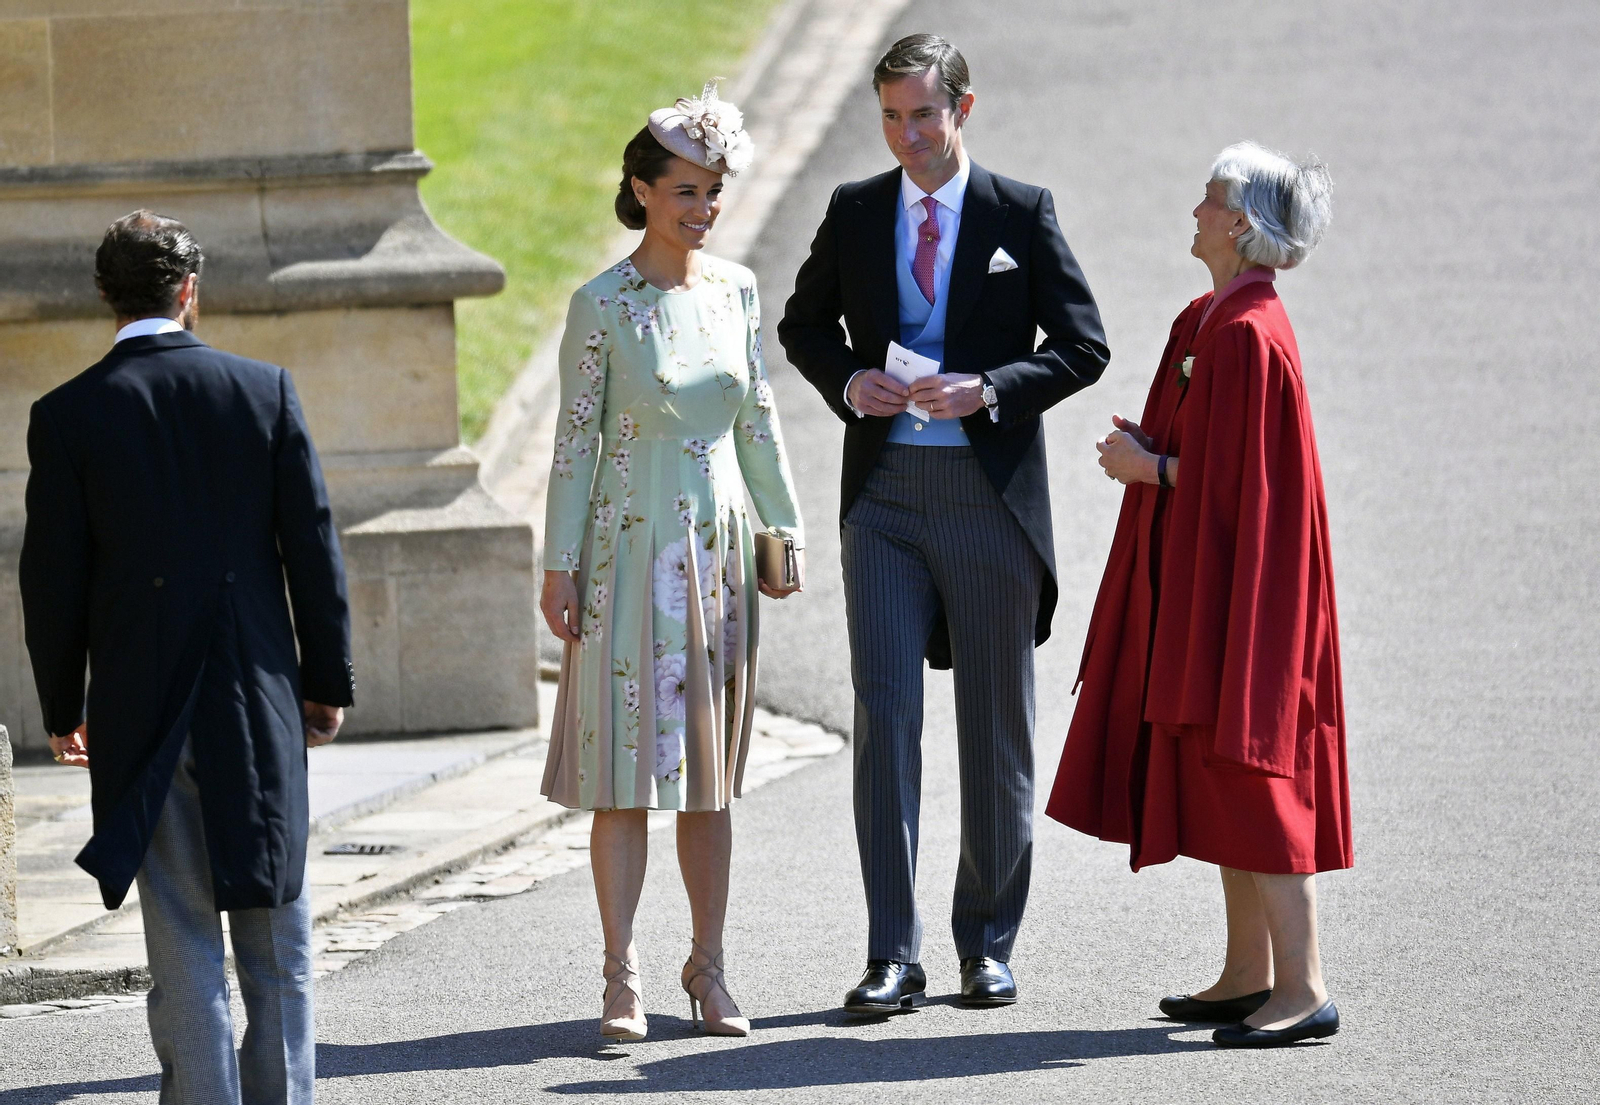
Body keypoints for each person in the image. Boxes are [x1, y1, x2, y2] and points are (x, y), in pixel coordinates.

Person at [778, 34, 1108, 1014]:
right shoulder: (855, 211)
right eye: (889, 117)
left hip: (990, 510)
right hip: (882, 508)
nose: (906, 136)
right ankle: (892, 954)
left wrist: (993, 389)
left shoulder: (1019, 214)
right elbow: (804, 327)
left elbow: (1083, 345)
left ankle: (987, 945)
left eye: (923, 114)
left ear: (963, 109)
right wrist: (848, 380)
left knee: (995, 729)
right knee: (885, 721)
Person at [19, 210, 354, 1100]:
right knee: (275, 931)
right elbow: (312, 549)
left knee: (181, 933)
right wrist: (324, 683)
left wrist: (62, 707)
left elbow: (50, 579)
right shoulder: (264, 391)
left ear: (104, 295)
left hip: (139, 702)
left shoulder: (65, 415)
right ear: (190, 290)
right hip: (255, 695)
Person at [1045, 142, 1351, 1048]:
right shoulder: (1211, 315)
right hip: (1207, 579)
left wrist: (1153, 466)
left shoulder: (1250, 331)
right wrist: (1158, 448)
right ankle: (1247, 972)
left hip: (1248, 591)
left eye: (1210, 197)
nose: (1195, 208)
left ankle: (1303, 986)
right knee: (1218, 768)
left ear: (1243, 223)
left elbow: (1249, 485)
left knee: (1258, 771)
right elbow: (1218, 455)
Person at [538, 80, 804, 1042]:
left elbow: (759, 417)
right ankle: (621, 974)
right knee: (623, 770)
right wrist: (559, 565)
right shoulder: (600, 304)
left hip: (723, 547)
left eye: (713, 191)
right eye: (686, 190)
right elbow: (574, 443)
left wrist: (786, 527)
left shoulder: (737, 288)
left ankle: (710, 966)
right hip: (625, 547)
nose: (702, 209)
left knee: (709, 774)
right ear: (643, 190)